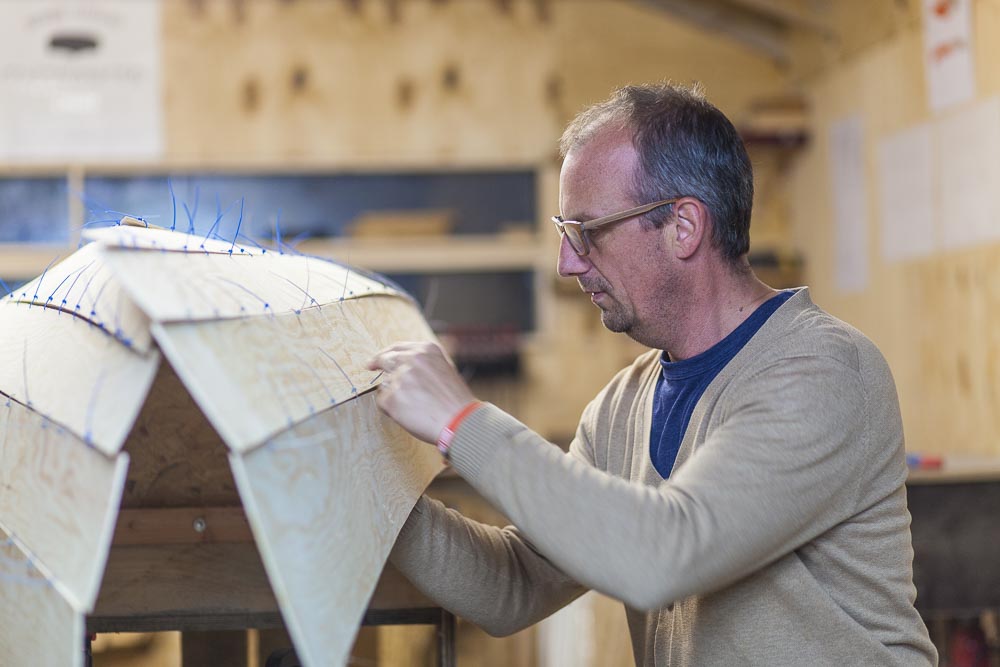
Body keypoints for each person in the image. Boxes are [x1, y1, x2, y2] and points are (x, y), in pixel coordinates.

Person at [367, 83, 937, 666]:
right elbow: (513, 586)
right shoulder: (623, 404)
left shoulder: (825, 370)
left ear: (683, 227)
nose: (567, 263)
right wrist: (372, 491)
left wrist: (461, 422)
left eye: (586, 232)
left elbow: (665, 553)